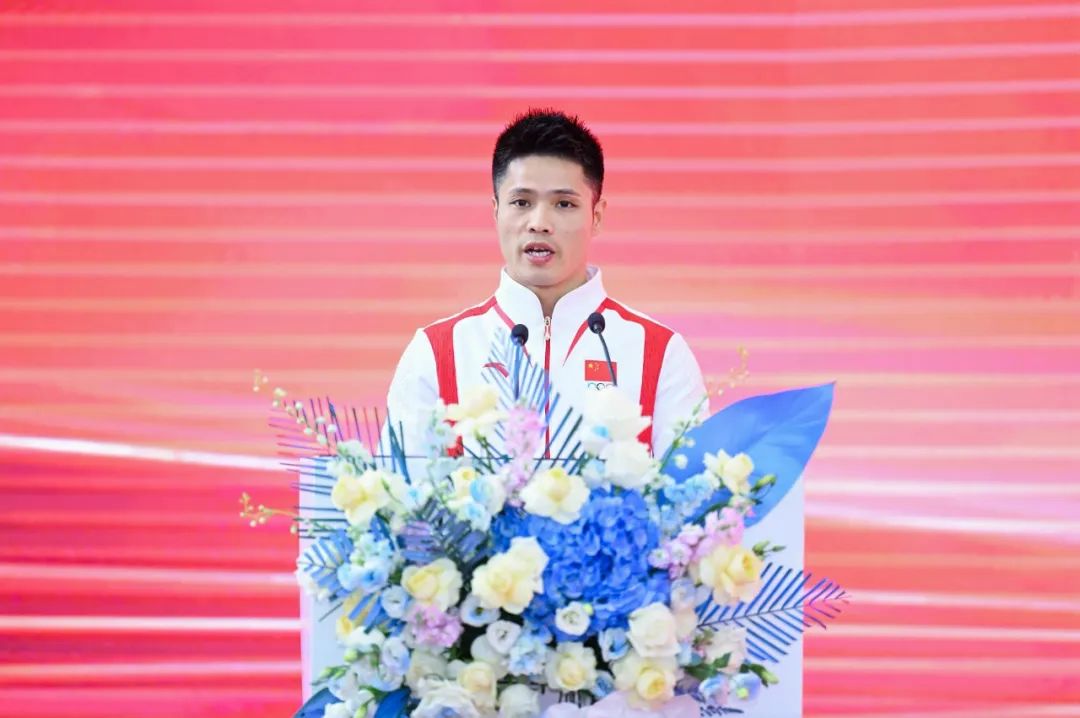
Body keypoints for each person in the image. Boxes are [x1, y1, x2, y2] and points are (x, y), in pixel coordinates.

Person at [386, 108, 706, 459]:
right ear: (496, 211)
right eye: (521, 202)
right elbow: (399, 488)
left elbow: (693, 486)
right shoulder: (437, 351)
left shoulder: (660, 353)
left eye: (564, 204)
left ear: (596, 216)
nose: (539, 222)